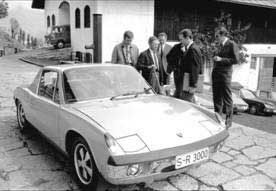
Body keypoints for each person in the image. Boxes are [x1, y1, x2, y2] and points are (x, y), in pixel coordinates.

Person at [212, 26, 239, 129]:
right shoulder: (219, 45)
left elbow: (236, 60)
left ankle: (228, 122)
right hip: (216, 74)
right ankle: (218, 118)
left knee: (227, 99)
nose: (216, 38)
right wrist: (215, 57)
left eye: (217, 36)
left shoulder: (232, 44)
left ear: (223, 35)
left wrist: (221, 59)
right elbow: (217, 58)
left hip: (225, 75)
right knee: (216, 97)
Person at [179, 29, 202, 103]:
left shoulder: (193, 49)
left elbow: (195, 68)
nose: (180, 41)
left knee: (186, 103)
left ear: (187, 38)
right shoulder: (190, 48)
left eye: (181, 39)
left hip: (189, 83)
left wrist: (193, 85)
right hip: (187, 82)